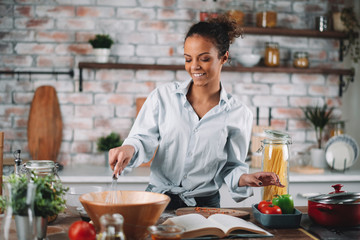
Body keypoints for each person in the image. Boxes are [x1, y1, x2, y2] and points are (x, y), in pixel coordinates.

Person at [109, 15, 284, 210]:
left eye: (205, 59)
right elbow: (141, 139)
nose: (194, 67)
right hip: (157, 201)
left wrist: (245, 178)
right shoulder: (163, 97)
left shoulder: (239, 113)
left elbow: (232, 166)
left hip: (205, 206)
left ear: (224, 57)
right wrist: (128, 148)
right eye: (188, 59)